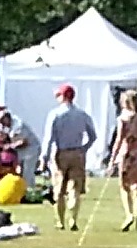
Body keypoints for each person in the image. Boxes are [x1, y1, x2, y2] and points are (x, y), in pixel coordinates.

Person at [41, 83, 99, 230]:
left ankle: (60, 221)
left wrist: (44, 157)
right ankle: (73, 219)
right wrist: (84, 148)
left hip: (61, 152)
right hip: (77, 153)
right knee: (75, 188)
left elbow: (49, 138)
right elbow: (93, 135)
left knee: (59, 189)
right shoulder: (82, 114)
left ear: (62, 97)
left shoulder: (55, 114)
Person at [105, 87, 137, 232]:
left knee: (125, 187)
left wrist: (112, 160)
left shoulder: (124, 119)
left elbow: (119, 140)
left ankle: (129, 214)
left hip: (127, 154)